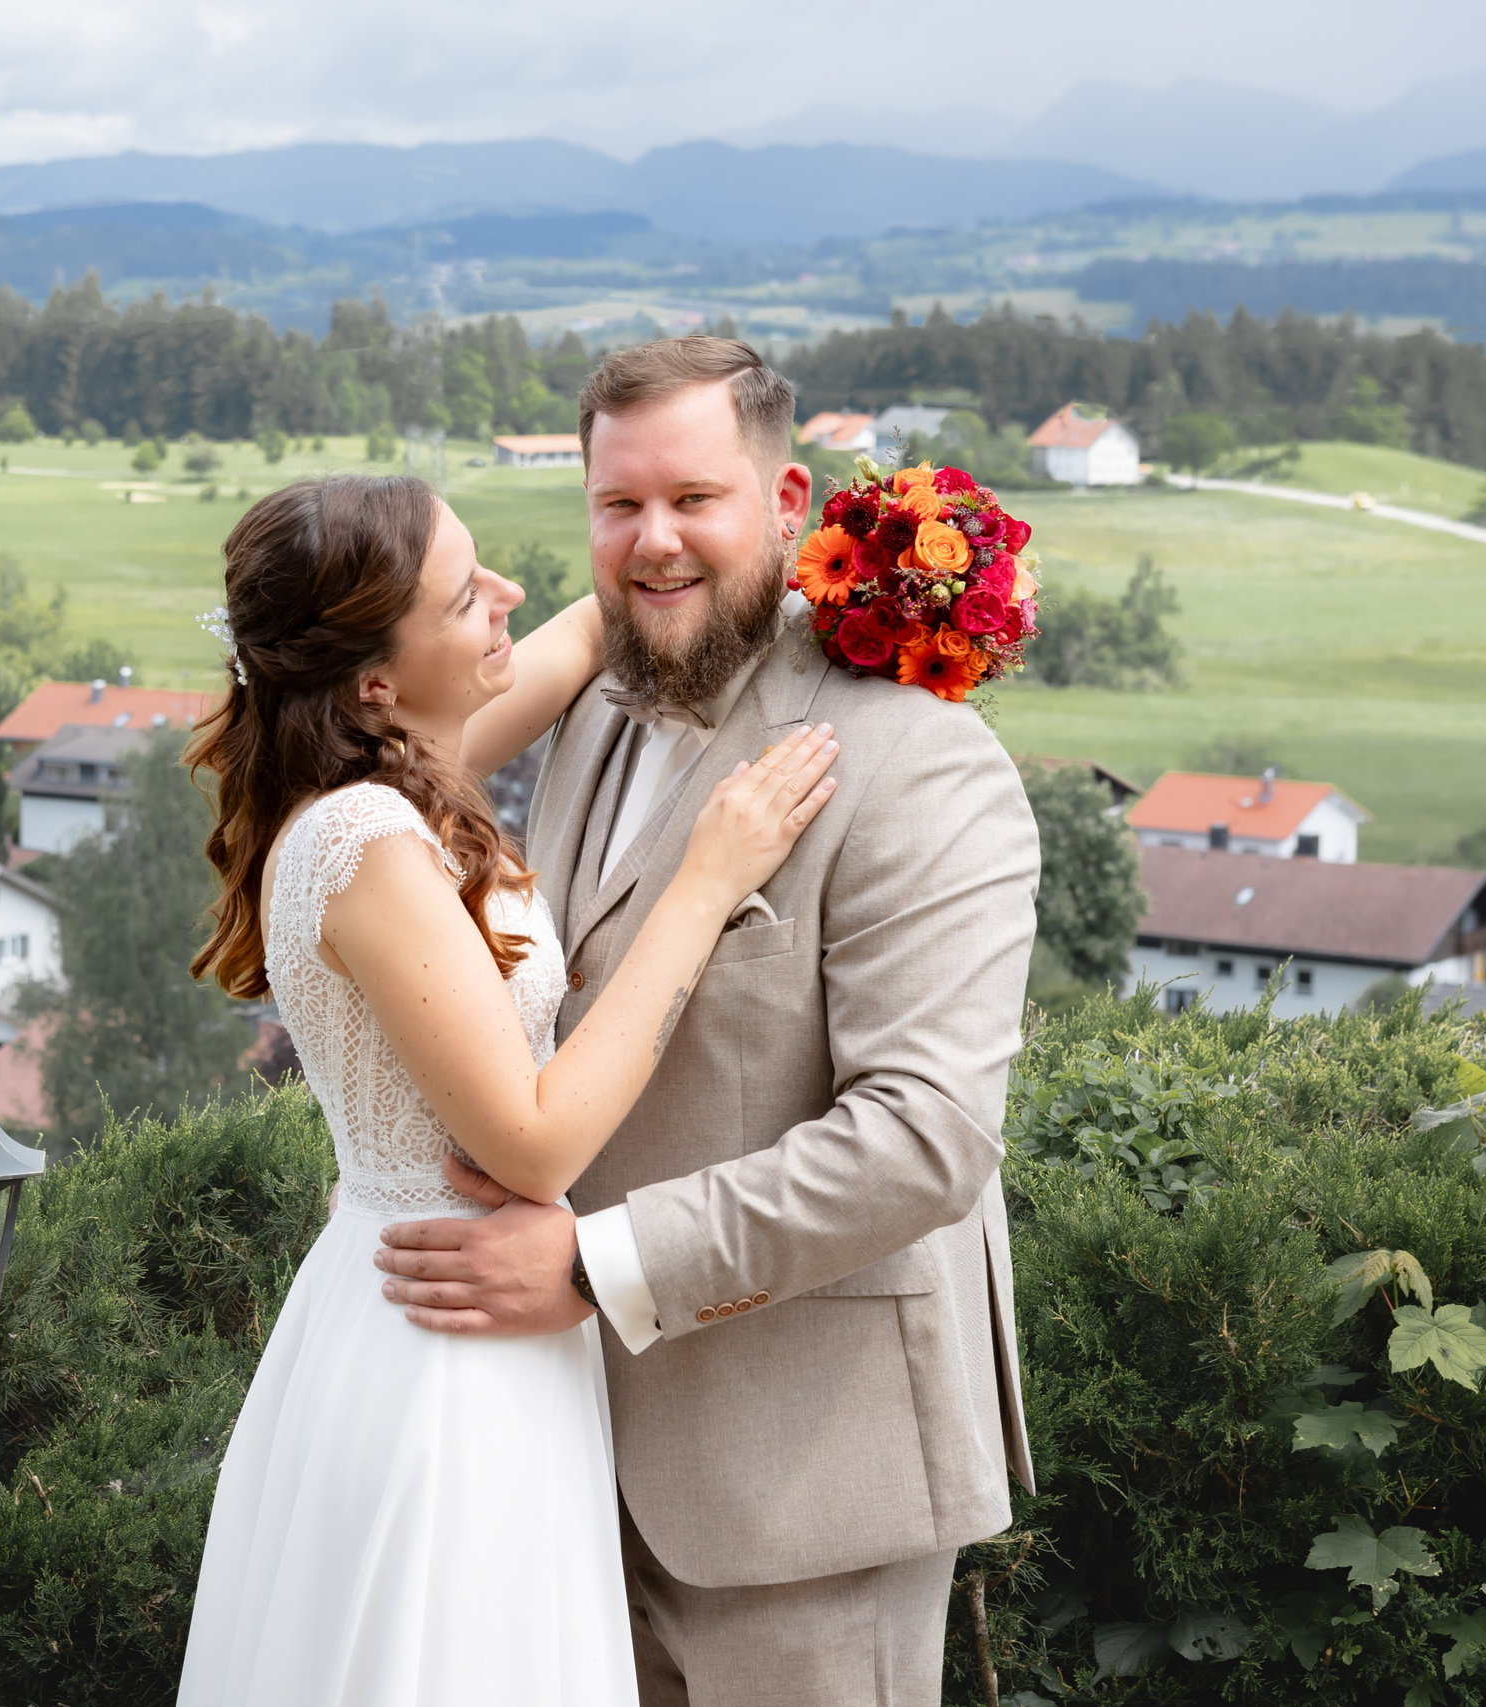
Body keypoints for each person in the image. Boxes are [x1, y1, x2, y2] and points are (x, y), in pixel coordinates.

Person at [371, 337, 1040, 1707]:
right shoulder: (600, 707)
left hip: (806, 1494)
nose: (653, 539)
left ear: (789, 501)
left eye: (696, 498)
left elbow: (926, 1138)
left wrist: (590, 1265)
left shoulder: (918, 759)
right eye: (618, 505)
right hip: (562, 1466)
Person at [175, 472, 840, 1707]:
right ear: (375, 678)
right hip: (442, 1342)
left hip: (463, 1309)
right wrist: (706, 883)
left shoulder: (398, 768)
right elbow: (532, 1148)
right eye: (464, 595)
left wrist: (805, 549)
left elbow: (592, 622)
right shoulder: (366, 842)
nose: (507, 598)